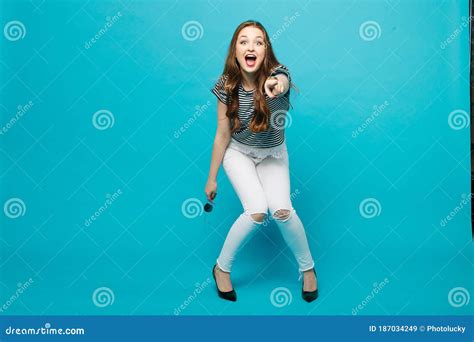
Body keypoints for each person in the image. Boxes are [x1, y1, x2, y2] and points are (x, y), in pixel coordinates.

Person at [205, 20, 318, 303]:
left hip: (273, 154)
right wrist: (211, 177)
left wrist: (274, 86)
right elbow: (221, 135)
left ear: (266, 50)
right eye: (244, 41)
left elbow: (281, 82)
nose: (251, 46)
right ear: (235, 51)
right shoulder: (226, 85)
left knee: (282, 211)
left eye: (258, 41)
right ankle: (221, 268)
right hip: (238, 152)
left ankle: (308, 269)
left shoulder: (280, 75)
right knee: (256, 210)